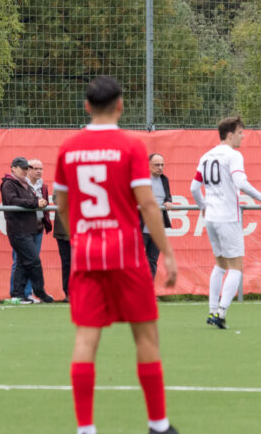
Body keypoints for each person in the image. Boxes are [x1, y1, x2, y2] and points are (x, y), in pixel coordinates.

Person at [54, 75, 179, 434]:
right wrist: (168, 253)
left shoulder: (68, 149)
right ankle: (158, 424)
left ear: (86, 106)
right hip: (127, 255)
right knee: (146, 336)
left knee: (85, 338)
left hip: (87, 255)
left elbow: (62, 203)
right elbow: (148, 204)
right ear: (121, 105)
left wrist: (79, 236)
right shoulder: (130, 146)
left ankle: (86, 428)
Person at [190, 115, 261, 330]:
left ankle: (212, 310)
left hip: (211, 218)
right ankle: (221, 312)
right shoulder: (233, 156)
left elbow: (194, 188)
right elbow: (240, 182)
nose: (243, 136)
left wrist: (203, 206)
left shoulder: (206, 156)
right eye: (241, 133)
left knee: (220, 265)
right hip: (228, 218)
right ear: (230, 134)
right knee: (236, 268)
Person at [1, 156, 53, 304]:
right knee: (33, 261)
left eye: (26, 168)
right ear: (13, 168)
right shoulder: (9, 184)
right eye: (22, 168)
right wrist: (35, 203)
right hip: (18, 229)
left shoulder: (23, 184)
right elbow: (13, 201)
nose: (25, 171)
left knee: (23, 262)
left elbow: (26, 201)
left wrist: (37, 202)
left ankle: (18, 294)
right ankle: (39, 291)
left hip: (28, 229)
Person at [144, 153, 174, 279]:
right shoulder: (142, 180)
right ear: (148, 165)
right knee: (136, 261)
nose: (160, 167)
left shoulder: (164, 180)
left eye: (162, 165)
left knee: (152, 261)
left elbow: (168, 196)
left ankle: (148, 289)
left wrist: (168, 201)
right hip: (141, 228)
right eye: (157, 165)